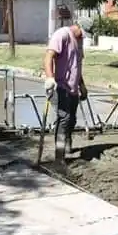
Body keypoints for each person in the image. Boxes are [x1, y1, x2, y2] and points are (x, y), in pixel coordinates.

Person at [43, 16, 95, 162]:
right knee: (64, 118)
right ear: (78, 27)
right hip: (59, 85)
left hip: (73, 87)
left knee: (72, 119)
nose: (84, 37)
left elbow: (77, 65)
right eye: (83, 33)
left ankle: (67, 144)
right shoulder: (62, 35)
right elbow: (48, 57)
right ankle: (59, 155)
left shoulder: (79, 41)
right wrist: (49, 78)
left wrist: (82, 85)